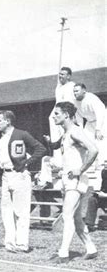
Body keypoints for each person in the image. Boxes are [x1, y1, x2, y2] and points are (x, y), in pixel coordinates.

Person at [46, 102, 98, 263]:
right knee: (75, 218)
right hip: (67, 180)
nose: (54, 116)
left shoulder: (75, 131)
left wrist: (80, 169)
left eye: (57, 113)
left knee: (67, 215)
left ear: (66, 115)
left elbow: (94, 149)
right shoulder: (65, 134)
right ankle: (91, 249)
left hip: (76, 180)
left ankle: (63, 254)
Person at [0, 110, 46, 253]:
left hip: (20, 175)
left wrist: (27, 163)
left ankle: (22, 244)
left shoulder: (21, 134)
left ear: (8, 121)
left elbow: (40, 148)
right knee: (6, 211)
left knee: (21, 211)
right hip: (5, 176)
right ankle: (10, 242)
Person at [73, 83, 106, 164]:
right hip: (89, 122)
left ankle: (103, 164)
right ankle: (91, 164)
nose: (75, 93)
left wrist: (98, 129)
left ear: (84, 91)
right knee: (86, 140)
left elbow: (100, 113)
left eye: (77, 91)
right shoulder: (75, 102)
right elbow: (79, 117)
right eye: (74, 91)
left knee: (101, 142)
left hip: (103, 120)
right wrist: (80, 130)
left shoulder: (91, 98)